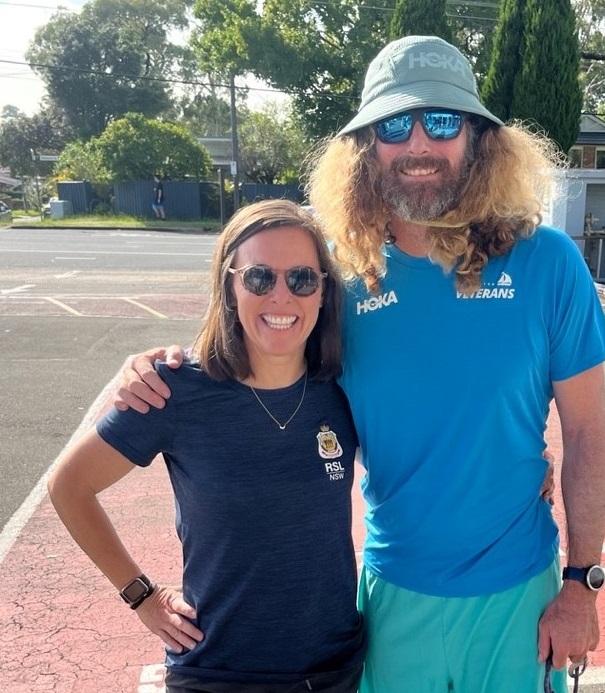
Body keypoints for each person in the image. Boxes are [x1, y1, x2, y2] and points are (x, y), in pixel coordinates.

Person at [113, 36, 605, 693]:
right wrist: (163, 364)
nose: (417, 145)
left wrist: (581, 582)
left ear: (478, 139)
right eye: (392, 125)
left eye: (440, 121)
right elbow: (260, 333)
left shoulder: (548, 263)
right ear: (364, 148)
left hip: (517, 597)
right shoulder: (340, 280)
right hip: (393, 596)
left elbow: (585, 435)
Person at [47, 200, 366, 693]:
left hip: (334, 669)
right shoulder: (174, 389)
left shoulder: (345, 386)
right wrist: (142, 595)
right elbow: (69, 485)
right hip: (215, 671)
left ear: (323, 292)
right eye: (259, 278)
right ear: (230, 284)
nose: (281, 297)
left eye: (302, 279)